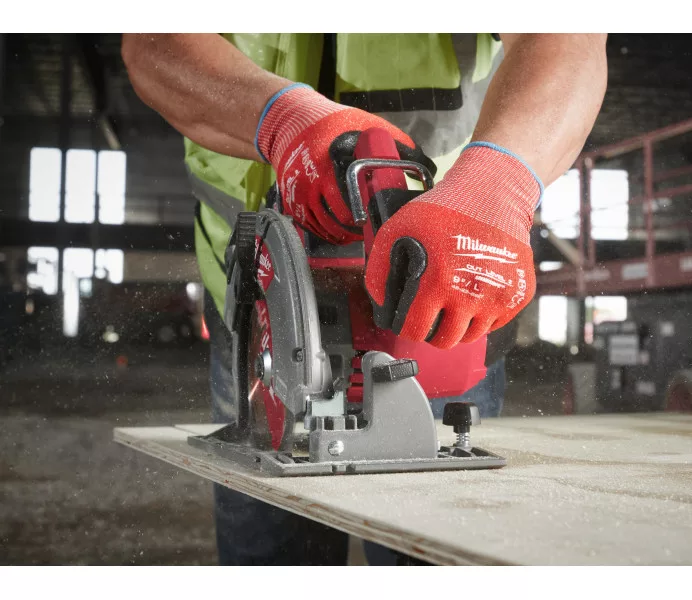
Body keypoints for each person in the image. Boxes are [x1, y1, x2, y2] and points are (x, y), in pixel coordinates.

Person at [122, 33, 608, 565]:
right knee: (271, 550)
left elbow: (568, 34)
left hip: (435, 285)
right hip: (256, 304)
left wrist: (500, 180)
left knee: (431, 552)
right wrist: (279, 117)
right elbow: (153, 40)